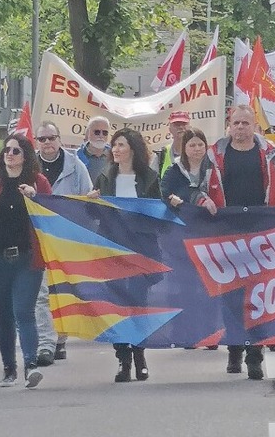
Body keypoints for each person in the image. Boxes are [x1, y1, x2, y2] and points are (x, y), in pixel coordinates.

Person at [199, 104, 275, 380]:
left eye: (246, 123)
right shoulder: (214, 155)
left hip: (261, 233)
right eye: (237, 123)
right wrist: (203, 199)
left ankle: (255, 354)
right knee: (231, 295)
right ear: (229, 125)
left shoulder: (270, 154)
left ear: (255, 125)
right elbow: (194, 187)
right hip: (226, 233)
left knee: (258, 296)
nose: (241, 128)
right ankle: (235, 348)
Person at [90, 128, 161, 383]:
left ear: (133, 148)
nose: (116, 149)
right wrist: (91, 203)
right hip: (113, 248)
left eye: (121, 144)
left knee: (137, 304)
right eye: (114, 145)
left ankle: (140, 354)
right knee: (117, 304)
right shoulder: (105, 177)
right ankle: (123, 359)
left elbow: (157, 213)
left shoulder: (150, 178)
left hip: (140, 249)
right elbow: (95, 216)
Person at [34, 121, 92, 366]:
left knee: (62, 290)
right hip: (37, 237)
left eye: (51, 138)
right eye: (42, 139)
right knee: (42, 294)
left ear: (59, 139)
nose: (47, 143)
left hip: (67, 237)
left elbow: (87, 199)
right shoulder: (30, 167)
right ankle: (46, 342)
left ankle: (61, 339)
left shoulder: (75, 166)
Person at [0, 134, 51, 388]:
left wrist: (35, 197)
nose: (10, 154)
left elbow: (52, 214)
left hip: (28, 258)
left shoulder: (37, 181)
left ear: (26, 156)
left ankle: (31, 365)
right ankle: (9, 368)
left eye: (16, 151)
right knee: (3, 315)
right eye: (7, 150)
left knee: (23, 311)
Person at [161, 127, 214, 209]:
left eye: (200, 145)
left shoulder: (215, 167)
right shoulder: (174, 170)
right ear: (184, 148)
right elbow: (164, 194)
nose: (197, 149)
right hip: (184, 216)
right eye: (192, 145)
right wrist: (171, 199)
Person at [151, 111, 191, 178]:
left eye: (184, 124)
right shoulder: (161, 155)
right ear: (170, 129)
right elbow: (151, 182)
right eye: (177, 124)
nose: (181, 127)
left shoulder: (199, 152)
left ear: (190, 127)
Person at [76, 116, 111, 183]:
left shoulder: (115, 157)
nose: (101, 136)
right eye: (97, 132)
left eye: (105, 133)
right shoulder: (77, 156)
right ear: (88, 133)